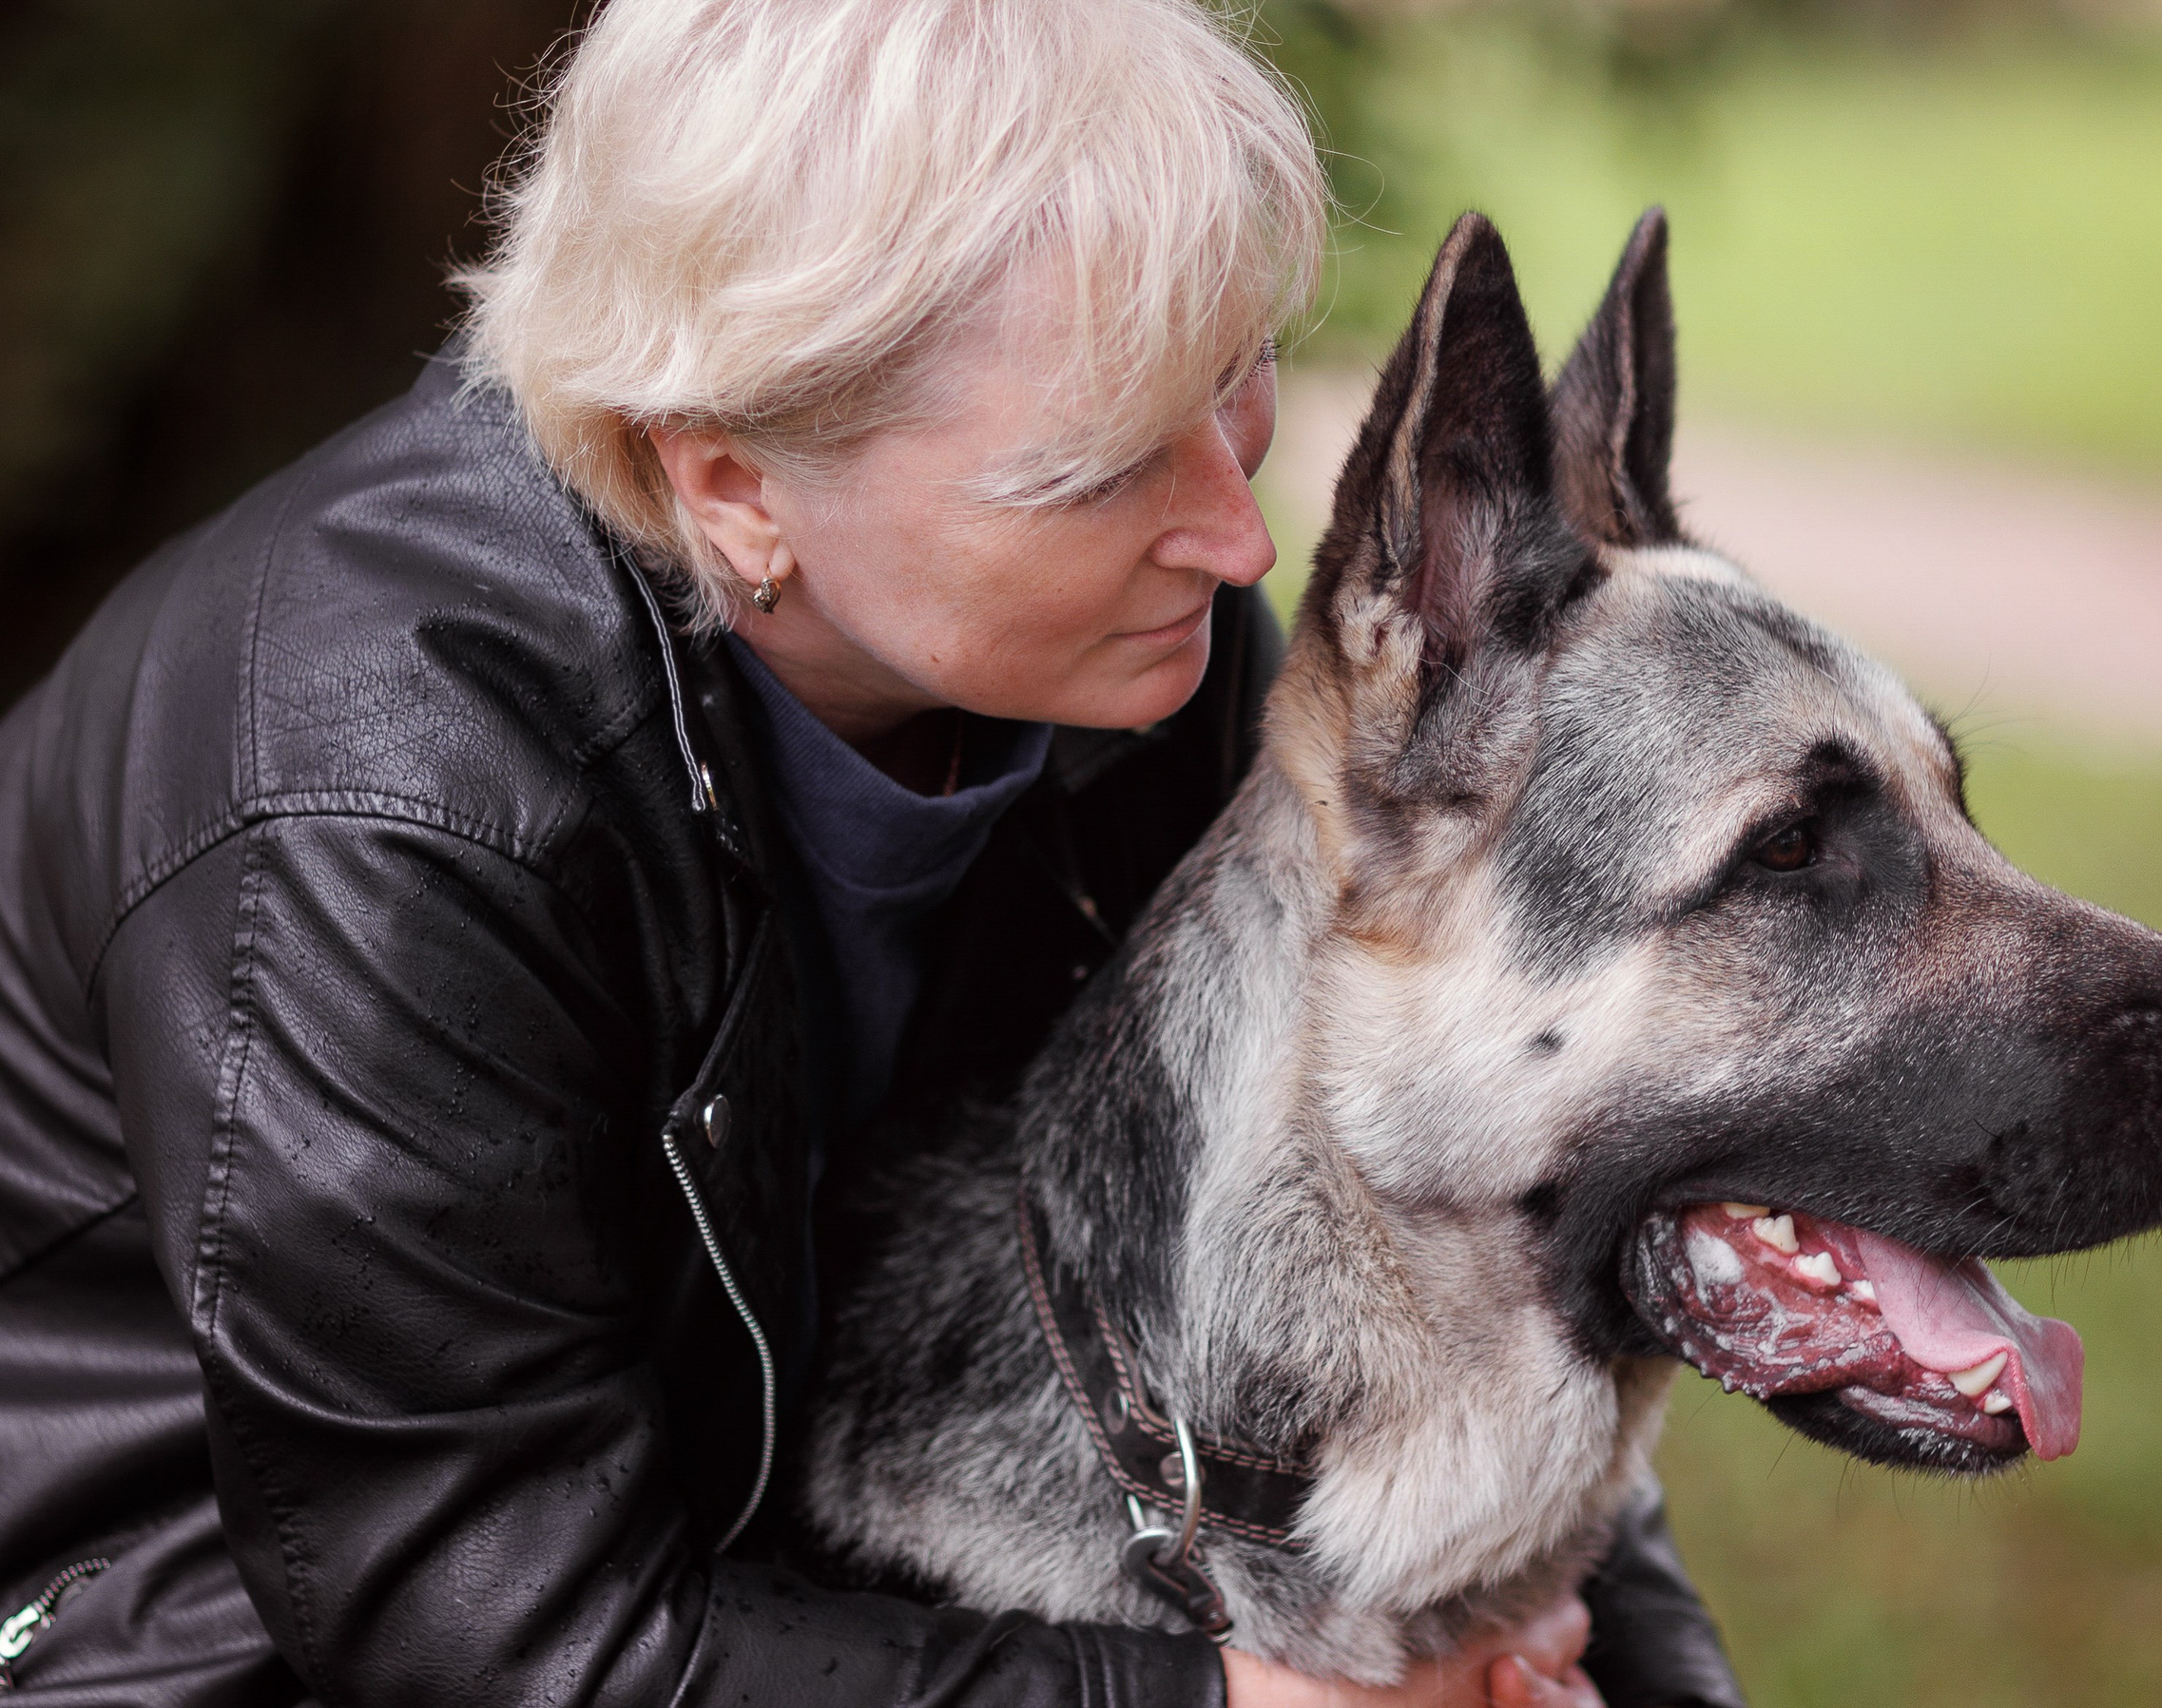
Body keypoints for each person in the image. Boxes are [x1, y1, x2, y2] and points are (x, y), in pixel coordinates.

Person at [0, 2, 1744, 1704]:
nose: (1235, 536)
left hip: (794, 1565)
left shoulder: (1128, 657)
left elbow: (1447, 1182)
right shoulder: (381, 799)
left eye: (1234, 381)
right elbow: (492, 1629)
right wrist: (1212, 1701)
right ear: (734, 486)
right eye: (1097, 471)